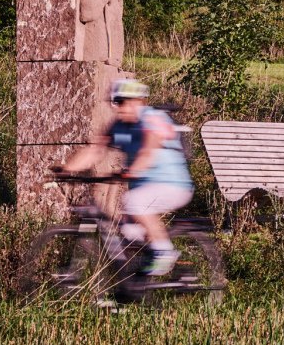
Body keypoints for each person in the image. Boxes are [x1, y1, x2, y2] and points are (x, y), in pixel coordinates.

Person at [60, 78, 193, 276]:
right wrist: (66, 170)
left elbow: (148, 150)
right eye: (116, 102)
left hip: (172, 184)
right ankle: (133, 287)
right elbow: (95, 151)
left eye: (124, 101)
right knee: (128, 235)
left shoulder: (152, 118)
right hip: (145, 188)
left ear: (139, 101)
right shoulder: (118, 125)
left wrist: (129, 171)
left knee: (134, 202)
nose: (119, 107)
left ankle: (165, 252)